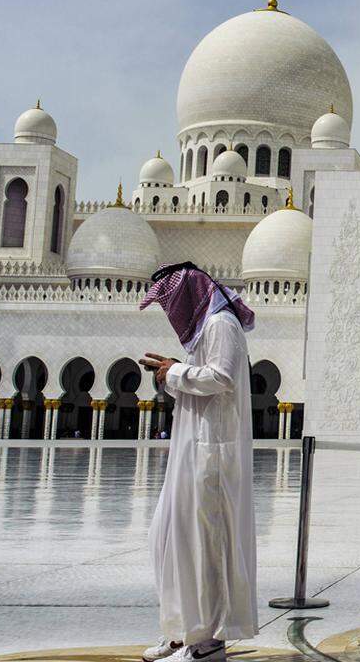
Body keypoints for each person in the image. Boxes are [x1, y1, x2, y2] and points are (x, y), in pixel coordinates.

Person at [137, 262, 257, 662]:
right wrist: (172, 371)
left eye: (171, 302)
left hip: (212, 453)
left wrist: (176, 373)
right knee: (168, 537)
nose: (170, 312)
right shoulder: (204, 330)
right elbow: (200, 383)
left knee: (205, 547)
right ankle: (180, 630)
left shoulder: (222, 324)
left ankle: (206, 643)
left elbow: (221, 378)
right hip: (192, 451)